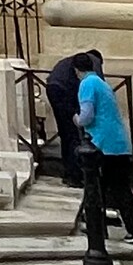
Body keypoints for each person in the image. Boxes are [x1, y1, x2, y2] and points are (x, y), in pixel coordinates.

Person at [76, 51, 133, 250]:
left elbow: (87, 115)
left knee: (110, 189)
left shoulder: (87, 84)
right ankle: (100, 227)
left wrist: (76, 119)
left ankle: (132, 231)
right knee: (108, 188)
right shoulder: (101, 83)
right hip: (119, 144)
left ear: (76, 70)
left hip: (104, 145)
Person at [43, 47, 99, 184]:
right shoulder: (94, 61)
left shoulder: (71, 61)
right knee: (72, 134)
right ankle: (75, 175)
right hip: (63, 90)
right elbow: (97, 83)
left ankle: (69, 174)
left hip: (53, 87)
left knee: (65, 133)